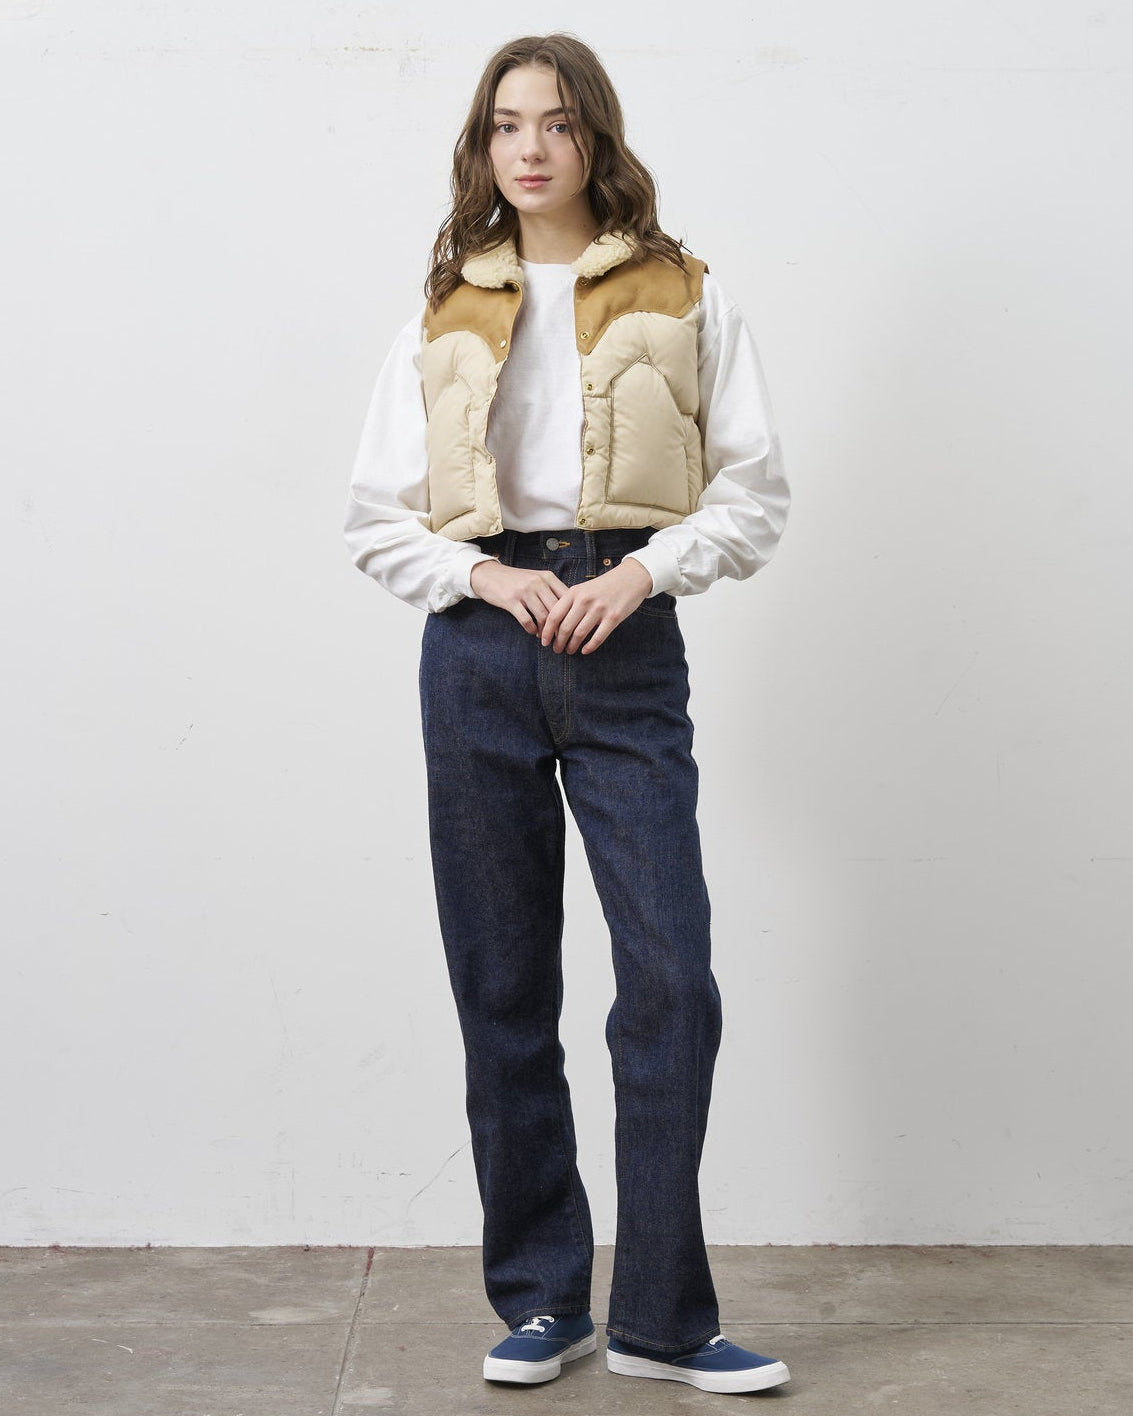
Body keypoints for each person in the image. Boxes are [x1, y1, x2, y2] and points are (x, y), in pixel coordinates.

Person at [343, 32, 792, 1396]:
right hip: (478, 650)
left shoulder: (684, 290)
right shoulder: (444, 308)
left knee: (670, 981)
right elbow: (374, 517)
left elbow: (752, 493)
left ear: (595, 135)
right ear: (482, 147)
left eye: (554, 122)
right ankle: (543, 1300)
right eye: (504, 124)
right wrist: (484, 576)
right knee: (504, 986)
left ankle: (663, 1316)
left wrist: (641, 574)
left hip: (624, 641)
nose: (528, 147)